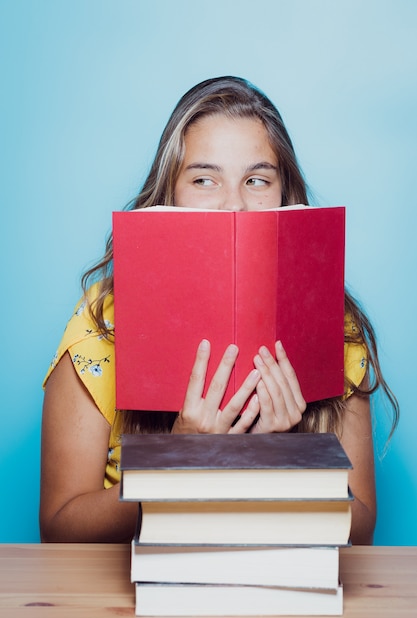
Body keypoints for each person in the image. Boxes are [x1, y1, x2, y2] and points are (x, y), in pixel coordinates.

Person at [40, 76, 399, 545]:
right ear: (169, 193)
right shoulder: (102, 323)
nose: (234, 205)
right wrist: (177, 458)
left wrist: (286, 451)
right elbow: (60, 527)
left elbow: (362, 528)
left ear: (285, 194)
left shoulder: (334, 323)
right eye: (204, 179)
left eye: (257, 180)